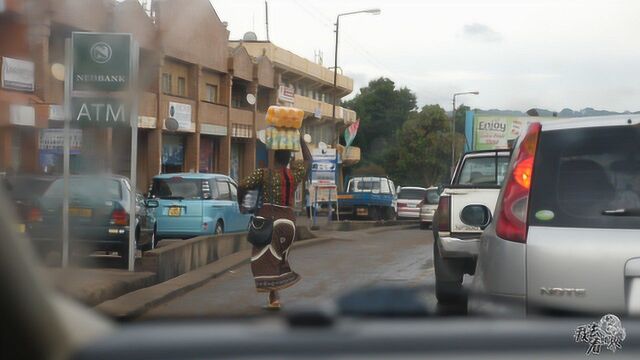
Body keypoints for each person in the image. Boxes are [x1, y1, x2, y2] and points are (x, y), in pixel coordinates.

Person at [238, 133, 312, 309]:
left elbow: (242, 185)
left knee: (263, 259)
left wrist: (241, 204)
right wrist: (301, 139)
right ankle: (274, 298)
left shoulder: (264, 173)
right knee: (277, 258)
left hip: (270, 222)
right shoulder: (295, 175)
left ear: (274, 157)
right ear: (288, 160)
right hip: (289, 224)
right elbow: (309, 160)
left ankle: (275, 299)